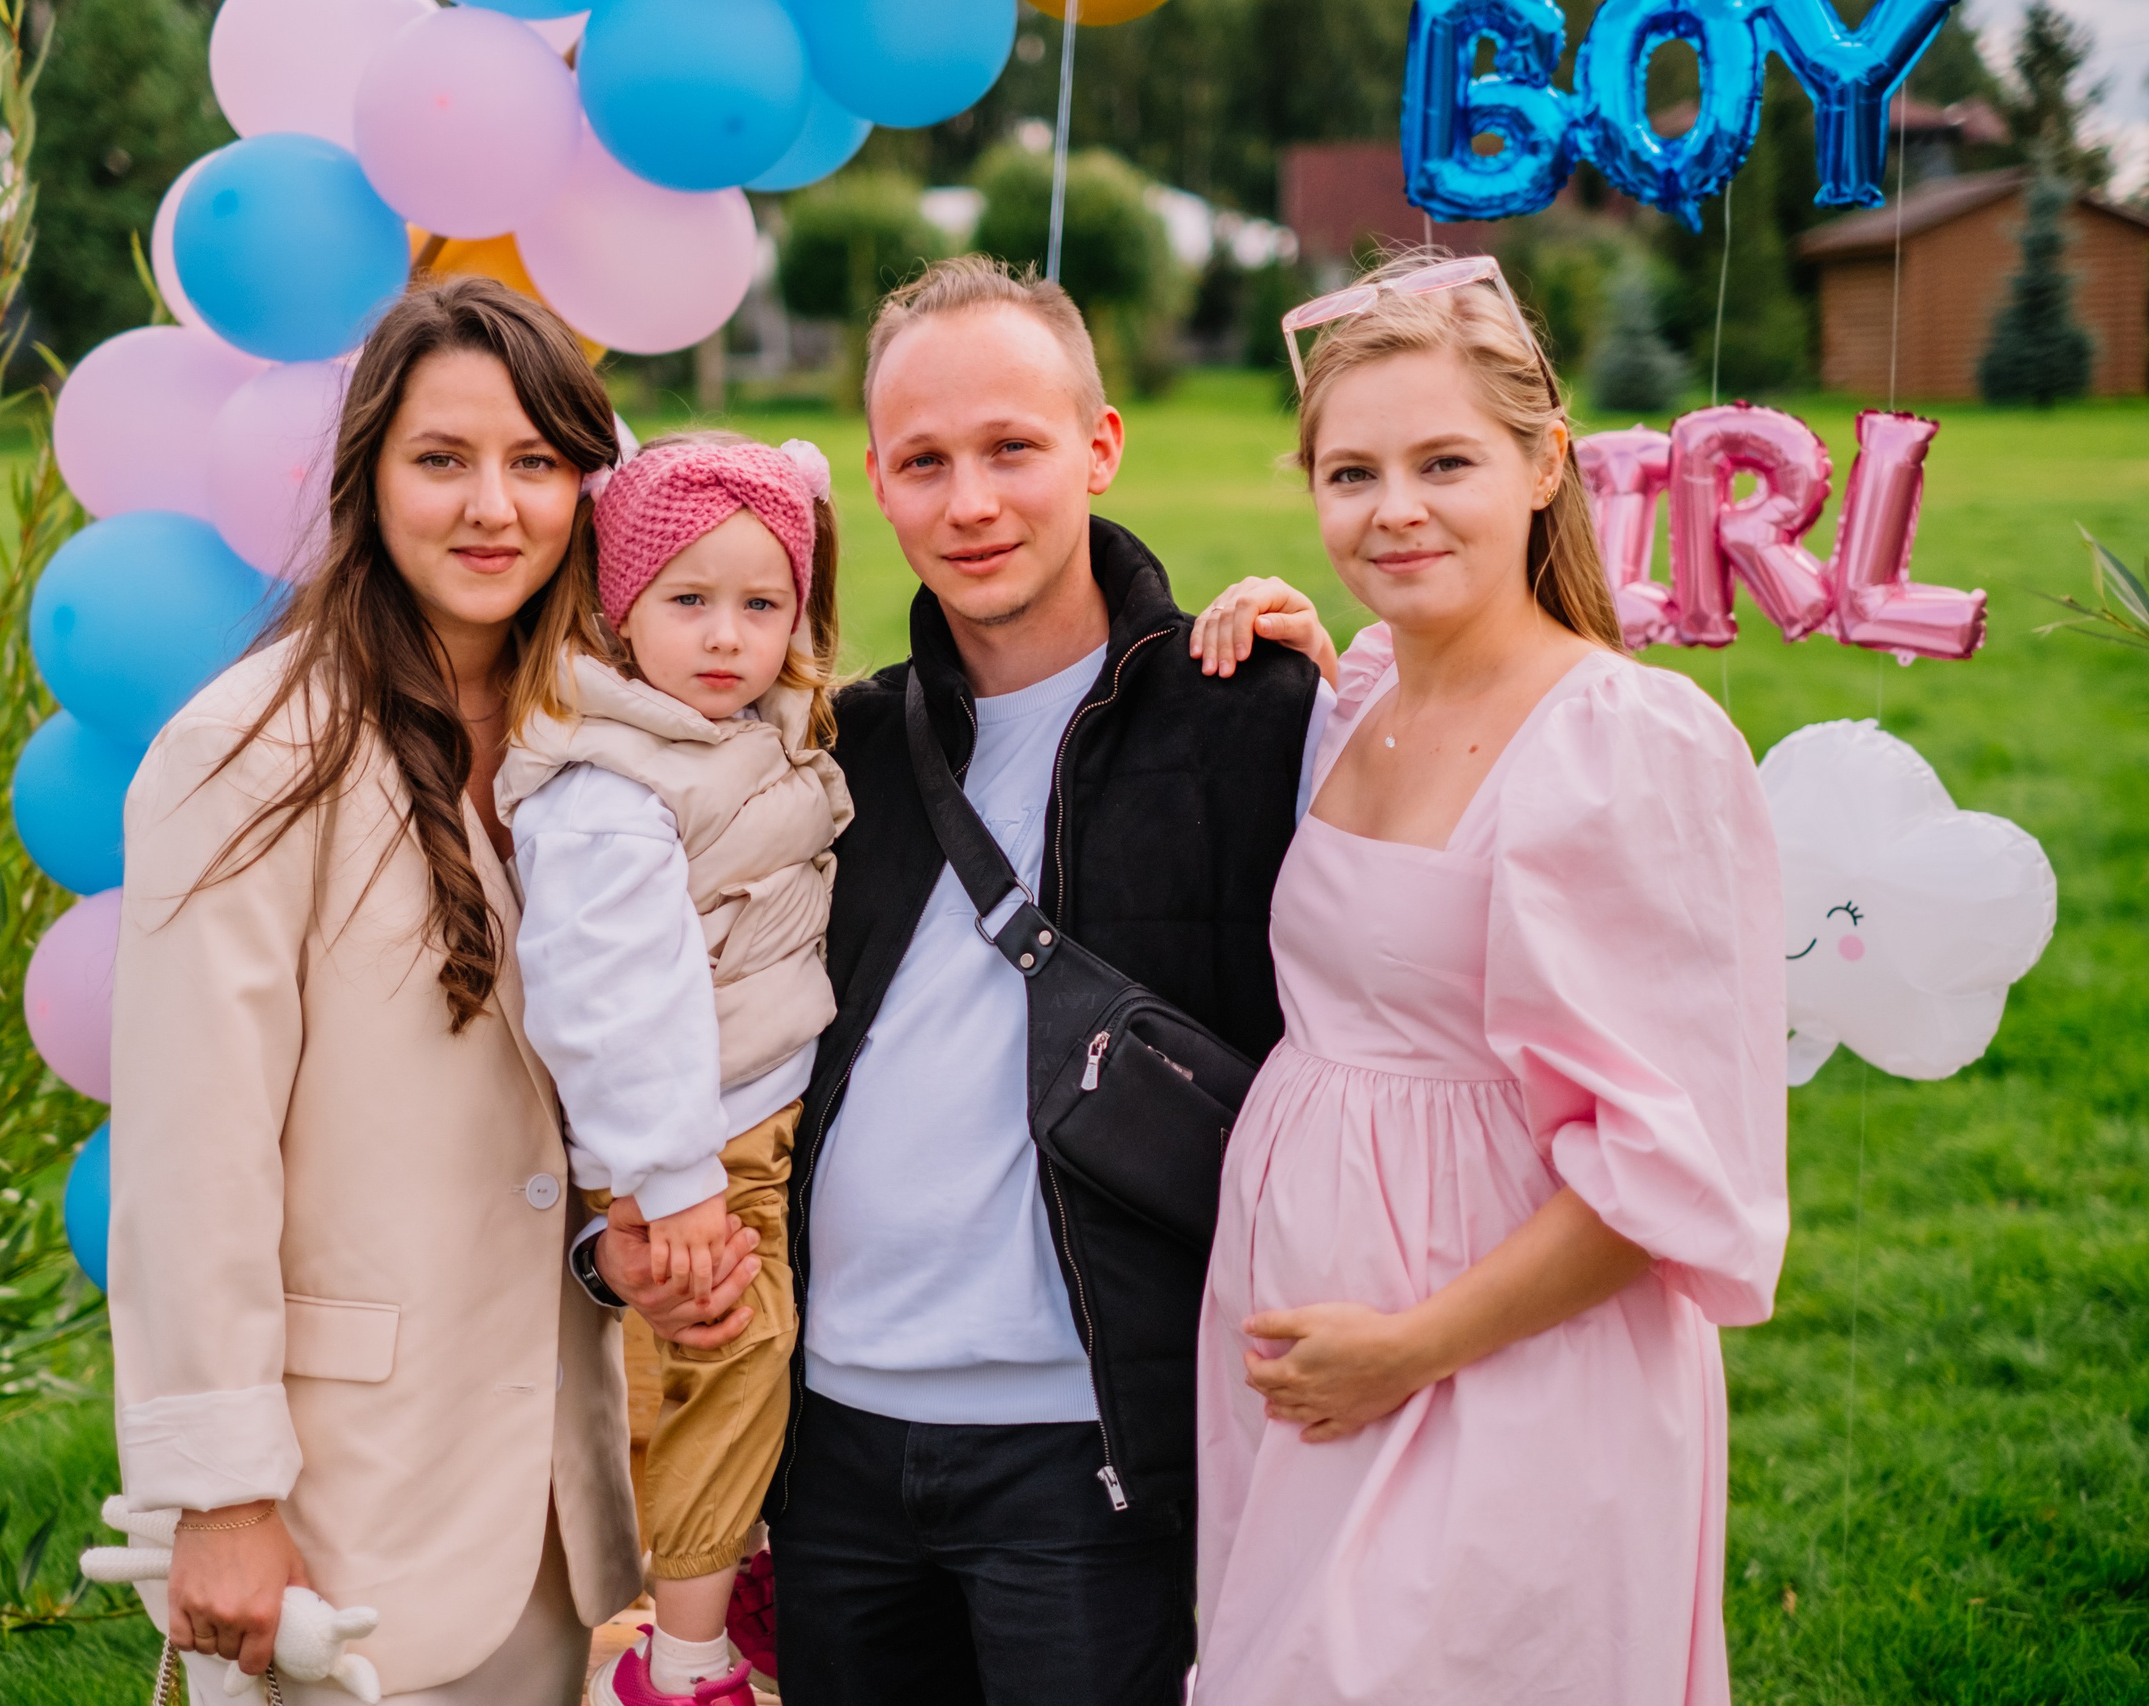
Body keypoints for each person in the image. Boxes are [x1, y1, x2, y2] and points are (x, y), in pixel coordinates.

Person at [107, 277, 759, 1705]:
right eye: (442, 458)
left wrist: (618, 1251)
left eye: (537, 462)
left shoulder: (608, 748)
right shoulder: (248, 756)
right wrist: (218, 1492)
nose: (492, 506)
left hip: (553, 1512)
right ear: (368, 477)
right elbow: (190, 1156)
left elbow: (546, 1110)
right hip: (336, 1514)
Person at [1184, 252, 1789, 1702]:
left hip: (1502, 1364)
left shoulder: (1622, 744)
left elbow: (1668, 1171)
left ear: (1543, 465)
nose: (1393, 509)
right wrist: (1306, 650)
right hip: (1307, 1348)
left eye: (1443, 461)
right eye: (1351, 473)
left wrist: (1408, 1349)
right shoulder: (1364, 696)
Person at [756, 254, 1330, 1706]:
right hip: (831, 1444)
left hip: (1091, 1451)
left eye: (1012, 446)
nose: (972, 502)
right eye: (924, 461)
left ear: (1100, 444)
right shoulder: (839, 749)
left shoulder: (1251, 716)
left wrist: (1349, 684)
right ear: (877, 485)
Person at [494, 431, 852, 1706]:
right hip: (701, 1142)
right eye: (687, 601)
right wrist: (671, 1173)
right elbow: (612, 1001)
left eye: (763, 605)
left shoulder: (743, 729)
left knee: (776, 1363)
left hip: (759, 1112)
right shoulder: (607, 783)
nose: (726, 637)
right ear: (617, 607)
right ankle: (679, 1654)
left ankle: (735, 1556)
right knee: (734, 1353)